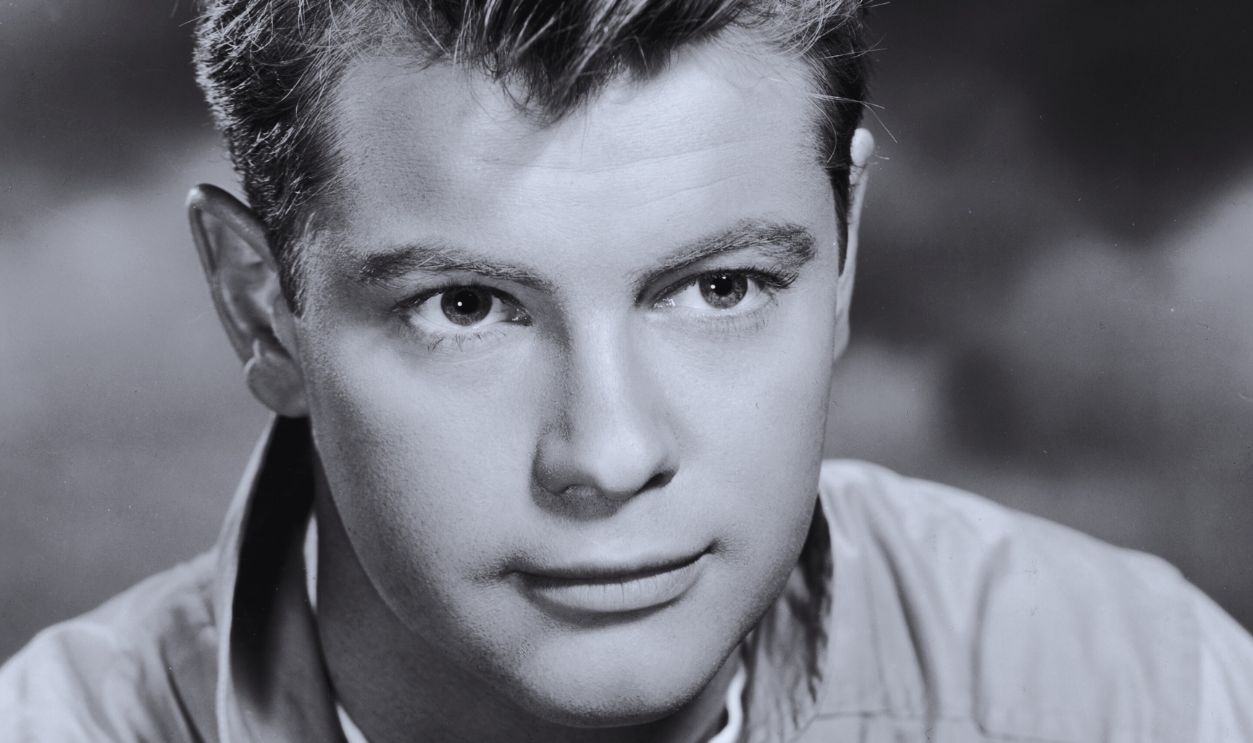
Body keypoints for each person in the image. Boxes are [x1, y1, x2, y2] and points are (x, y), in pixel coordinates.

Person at [2, 0, 1251, 740]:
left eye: (718, 288)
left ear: (844, 256)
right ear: (260, 306)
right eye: (465, 303)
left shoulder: (1145, 692)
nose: (607, 452)